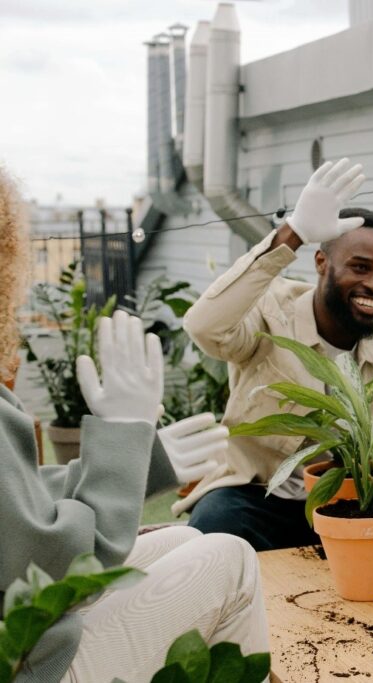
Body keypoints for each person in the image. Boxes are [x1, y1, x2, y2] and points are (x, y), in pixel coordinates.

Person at [0, 165, 269, 682]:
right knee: (230, 557)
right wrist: (123, 429)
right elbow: (58, 570)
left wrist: (140, 459)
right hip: (27, 665)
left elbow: (16, 501)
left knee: (184, 540)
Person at [178, 159, 373, 550]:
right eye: (360, 267)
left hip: (357, 504)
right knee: (215, 526)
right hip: (264, 496)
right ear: (321, 263)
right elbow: (205, 326)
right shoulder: (270, 312)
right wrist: (293, 234)